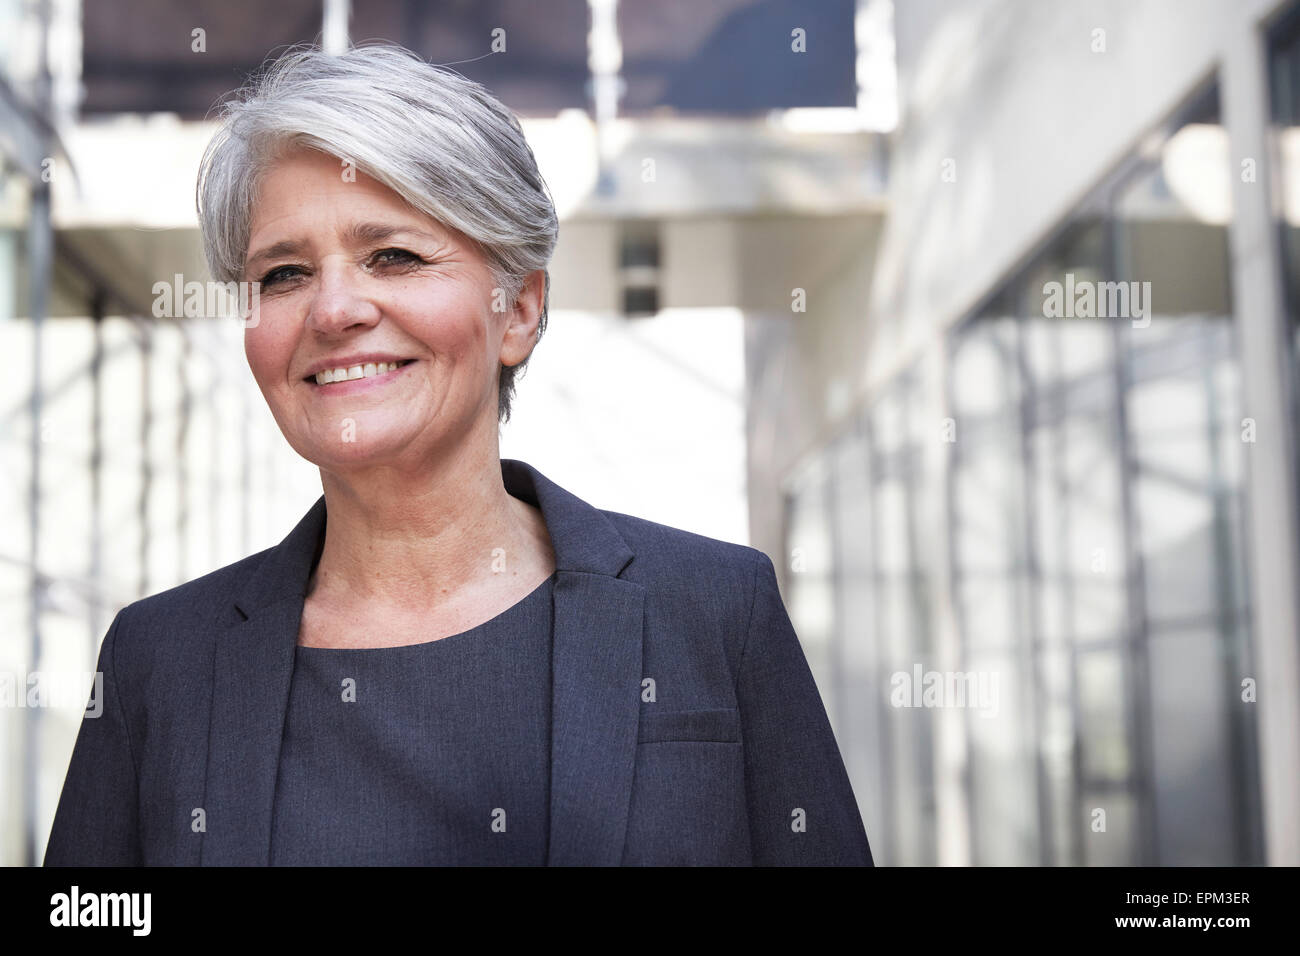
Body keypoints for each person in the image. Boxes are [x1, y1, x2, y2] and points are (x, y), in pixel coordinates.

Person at [43, 41, 872, 866]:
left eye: (392, 256)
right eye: (285, 274)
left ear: (518, 310)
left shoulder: (716, 612)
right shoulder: (159, 663)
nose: (333, 309)